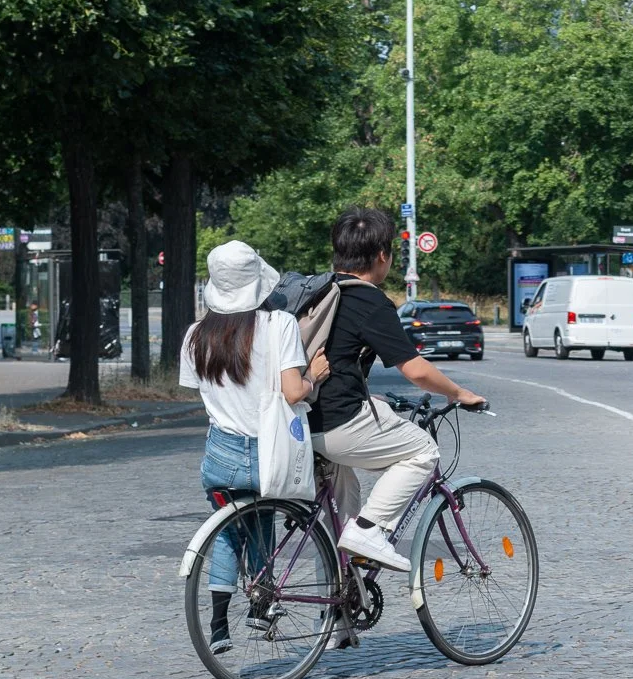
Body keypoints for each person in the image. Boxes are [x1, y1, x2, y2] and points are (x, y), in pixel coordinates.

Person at [311, 207, 485, 573]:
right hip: (338, 423)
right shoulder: (370, 301)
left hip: (300, 420)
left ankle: (335, 624)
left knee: (339, 518)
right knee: (423, 452)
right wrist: (459, 392)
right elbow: (415, 370)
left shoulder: (319, 291)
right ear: (381, 256)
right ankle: (371, 531)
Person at [179, 241, 331, 656]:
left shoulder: (195, 335)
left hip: (221, 453)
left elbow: (204, 395)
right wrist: (314, 375)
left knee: (230, 533)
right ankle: (261, 603)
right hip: (269, 451)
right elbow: (293, 391)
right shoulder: (278, 324)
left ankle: (218, 625)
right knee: (263, 519)